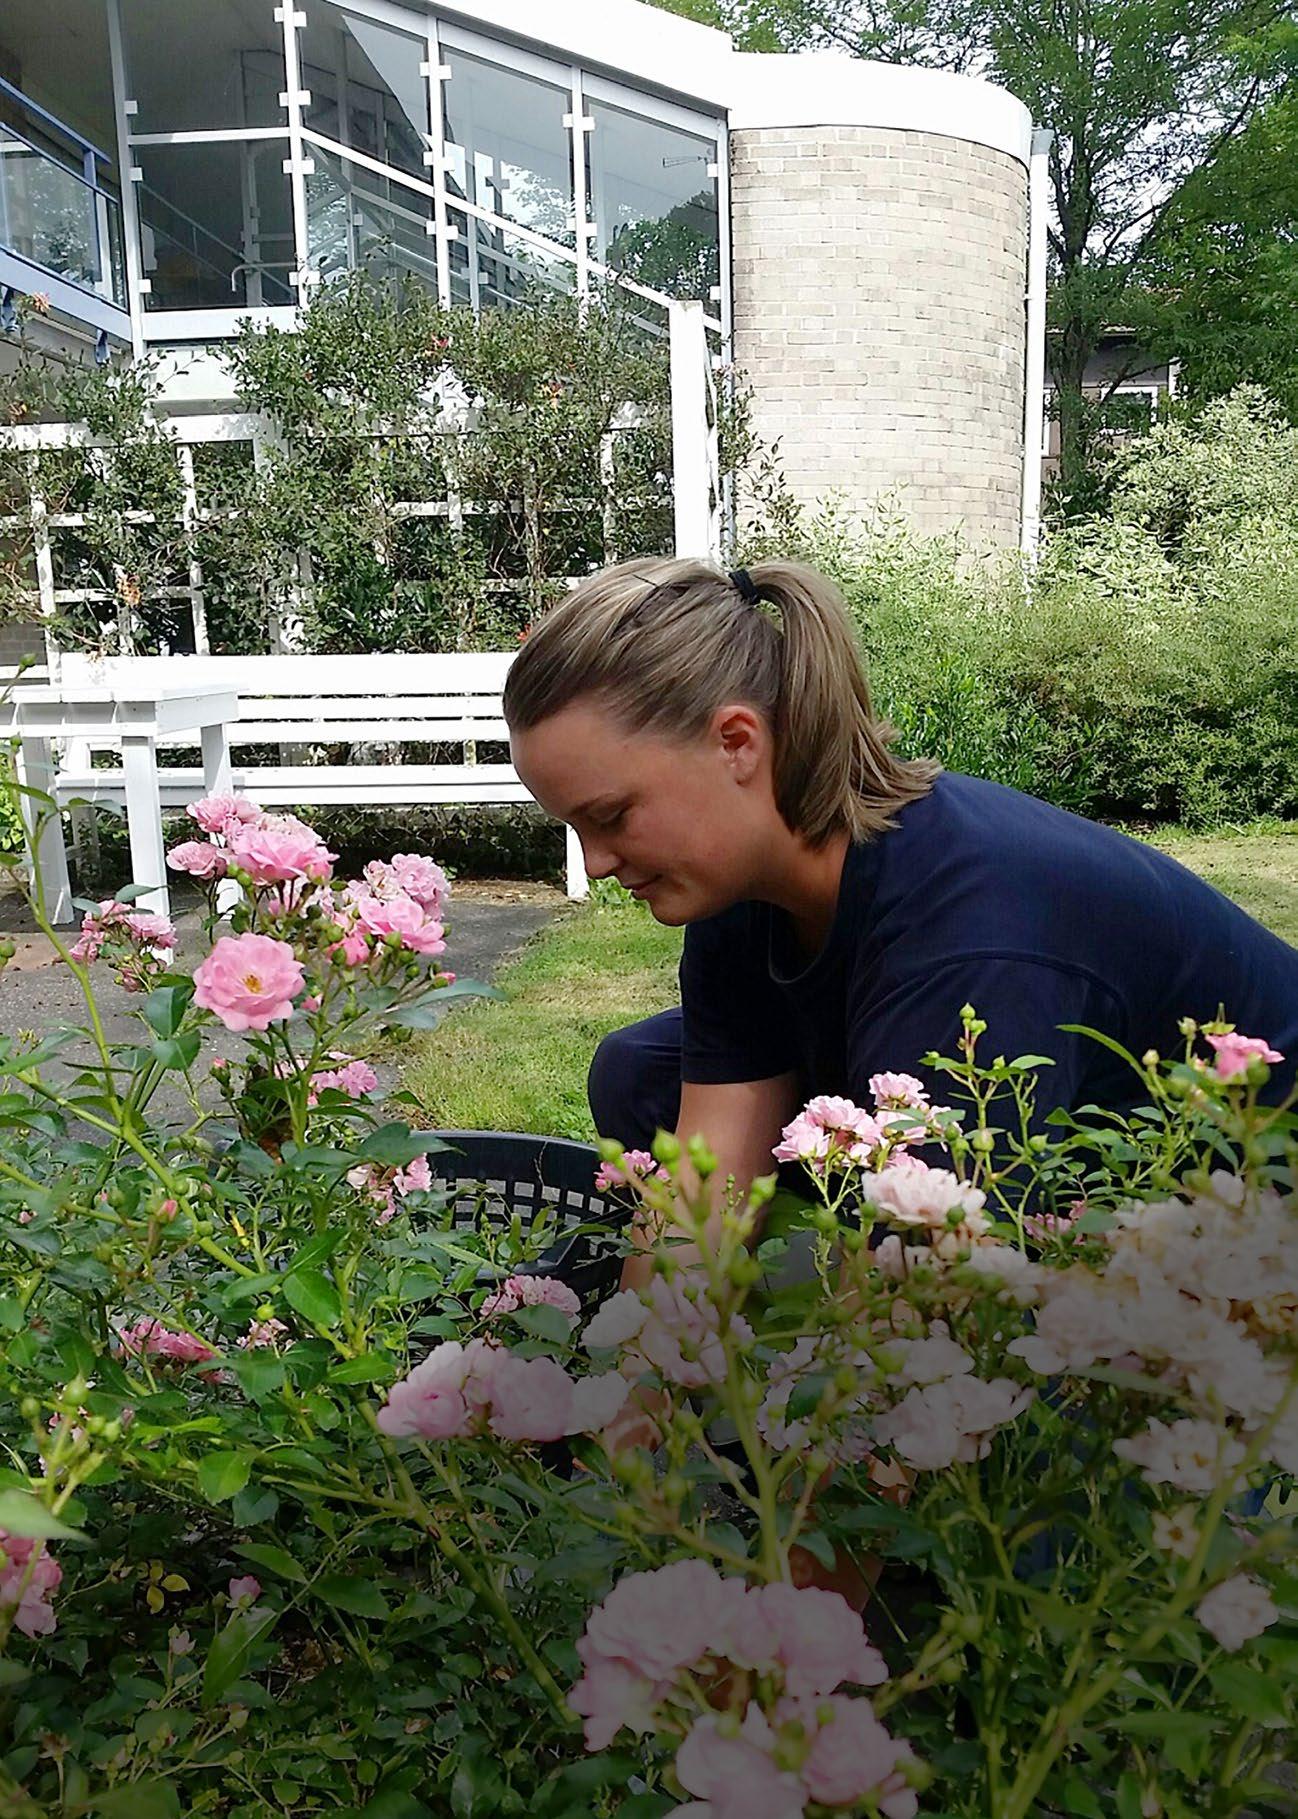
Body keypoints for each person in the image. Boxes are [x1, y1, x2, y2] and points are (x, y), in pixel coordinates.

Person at [505, 555, 1298, 1213]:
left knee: (936, 1276)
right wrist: (640, 1351)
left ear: (737, 743)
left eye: (610, 815)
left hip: (1252, 1186)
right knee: (642, 1073)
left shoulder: (966, 930)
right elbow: (704, 1201)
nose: (597, 862)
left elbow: (938, 1301)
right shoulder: (738, 889)